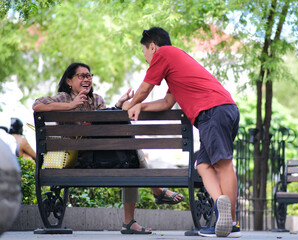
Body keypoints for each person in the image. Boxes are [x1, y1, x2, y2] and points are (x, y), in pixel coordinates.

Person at [32, 62, 183, 234]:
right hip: (78, 160)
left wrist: (118, 106)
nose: (87, 78)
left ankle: (136, 214)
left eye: (89, 75)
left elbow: (107, 124)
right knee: (131, 156)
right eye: (81, 75)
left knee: (130, 157)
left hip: (99, 156)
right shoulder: (63, 98)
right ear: (69, 81)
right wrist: (71, 105)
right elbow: (37, 105)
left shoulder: (96, 99)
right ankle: (152, 195)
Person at [122, 27, 240, 238]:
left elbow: (145, 88)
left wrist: (131, 103)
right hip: (216, 112)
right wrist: (142, 106)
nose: (146, 59)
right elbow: (167, 102)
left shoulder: (164, 53)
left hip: (213, 111)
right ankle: (220, 206)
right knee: (204, 165)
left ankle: (230, 222)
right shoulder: (176, 63)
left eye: (144, 53)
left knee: (223, 164)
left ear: (152, 46)